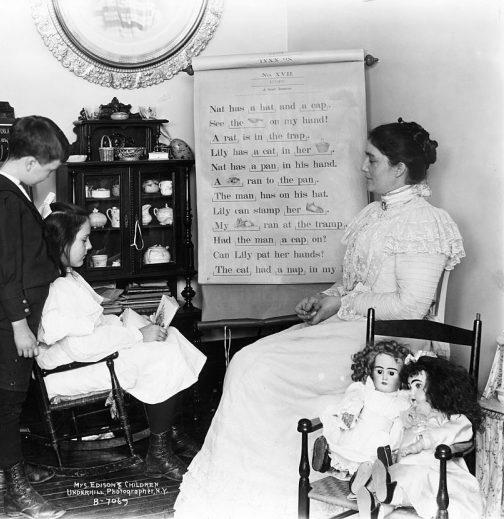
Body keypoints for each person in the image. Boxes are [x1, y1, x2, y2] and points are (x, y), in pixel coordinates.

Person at [174, 119, 466, 518]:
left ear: (399, 168)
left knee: (257, 367)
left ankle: (271, 496)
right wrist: (326, 297)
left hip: (392, 342)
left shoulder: (424, 221)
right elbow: (350, 282)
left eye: (371, 159)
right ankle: (251, 492)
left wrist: (341, 306)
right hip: (354, 327)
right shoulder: (373, 214)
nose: (363, 167)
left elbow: (411, 307)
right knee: (247, 360)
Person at [37, 201, 206, 480]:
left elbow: (93, 330)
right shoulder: (58, 288)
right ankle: (159, 453)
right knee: (160, 356)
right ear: (61, 243)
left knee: (170, 337)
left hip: (86, 358)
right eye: (84, 240)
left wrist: (140, 328)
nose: (90, 247)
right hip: (68, 371)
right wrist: (138, 335)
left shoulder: (69, 277)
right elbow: (82, 346)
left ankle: (171, 431)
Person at [0, 115, 69, 519]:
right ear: (29, 163)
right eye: (47, 170)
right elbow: (2, 270)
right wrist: (19, 324)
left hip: (21, 313)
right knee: (9, 398)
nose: (46, 176)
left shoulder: (12, 193)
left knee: (15, 393)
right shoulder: (5, 200)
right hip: (16, 317)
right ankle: (15, 488)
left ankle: (15, 470)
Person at [351, 354, 483, 519]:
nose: (411, 392)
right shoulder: (409, 413)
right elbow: (399, 436)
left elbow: (453, 431)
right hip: (405, 465)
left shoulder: (449, 416)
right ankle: (371, 499)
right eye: (410, 386)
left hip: (433, 468)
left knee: (413, 482)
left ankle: (381, 497)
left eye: (418, 385)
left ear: (437, 387)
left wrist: (423, 443)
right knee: (392, 476)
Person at [313, 340, 411, 476]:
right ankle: (326, 458)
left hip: (378, 440)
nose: (384, 377)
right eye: (379, 371)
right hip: (356, 430)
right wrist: (351, 411)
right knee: (342, 445)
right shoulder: (366, 389)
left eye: (391, 373)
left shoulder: (401, 401)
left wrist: (393, 447)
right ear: (371, 370)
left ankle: (361, 476)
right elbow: (353, 397)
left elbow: (399, 426)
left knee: (369, 460)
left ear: (402, 377)